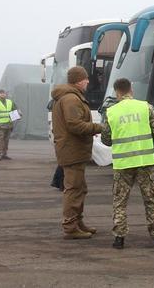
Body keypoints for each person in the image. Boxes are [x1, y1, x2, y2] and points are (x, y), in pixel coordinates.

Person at [101, 78, 154, 249]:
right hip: (145, 161)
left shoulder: (111, 111)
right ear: (131, 90)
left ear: (117, 92)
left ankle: (119, 238)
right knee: (150, 199)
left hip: (123, 163)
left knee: (120, 201)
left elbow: (106, 139)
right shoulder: (146, 107)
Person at [51, 66, 103, 240]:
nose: (88, 81)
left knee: (79, 188)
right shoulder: (71, 99)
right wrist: (98, 127)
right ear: (78, 80)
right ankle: (70, 226)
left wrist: (89, 129)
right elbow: (75, 125)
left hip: (74, 150)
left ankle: (77, 222)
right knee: (73, 189)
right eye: (86, 78)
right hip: (72, 151)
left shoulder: (70, 97)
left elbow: (75, 124)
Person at [0, 89, 19, 161]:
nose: (3, 94)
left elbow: (16, 109)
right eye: (1, 93)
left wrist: (19, 114)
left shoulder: (10, 102)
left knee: (6, 141)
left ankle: (4, 154)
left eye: (4, 93)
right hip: (0, 126)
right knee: (0, 141)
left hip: (9, 125)